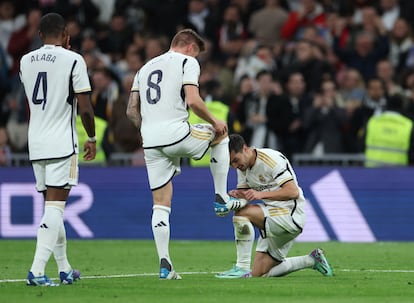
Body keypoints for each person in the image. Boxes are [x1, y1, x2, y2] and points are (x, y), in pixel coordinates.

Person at [126, 28, 243, 280]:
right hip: (176, 134)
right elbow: (193, 101)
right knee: (220, 133)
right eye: (198, 54)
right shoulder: (187, 61)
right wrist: (214, 120)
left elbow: (131, 111)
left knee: (160, 204)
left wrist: (147, 130)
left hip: (151, 142)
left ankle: (165, 265)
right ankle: (221, 197)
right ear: (190, 47)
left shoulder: (143, 69)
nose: (197, 59)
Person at [19, 13, 96, 286]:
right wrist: (93, 136)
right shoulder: (73, 59)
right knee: (55, 208)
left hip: (36, 142)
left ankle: (64, 269)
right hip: (63, 142)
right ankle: (37, 271)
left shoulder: (25, 61)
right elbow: (85, 107)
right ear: (66, 36)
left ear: (40, 35)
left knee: (52, 208)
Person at [214, 134, 334, 278]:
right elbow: (247, 196)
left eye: (235, 160)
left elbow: (293, 191)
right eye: (231, 164)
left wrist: (260, 195)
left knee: (241, 214)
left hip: (291, 215)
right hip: (272, 215)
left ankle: (241, 267)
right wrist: (234, 200)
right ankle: (310, 260)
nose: (235, 166)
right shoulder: (243, 168)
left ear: (245, 148)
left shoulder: (271, 159)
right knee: (259, 274)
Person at [364, 95, 414, 167]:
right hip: (399, 173)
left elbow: (360, 145)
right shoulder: (409, 125)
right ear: (402, 107)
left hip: (372, 171)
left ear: (387, 106)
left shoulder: (372, 122)